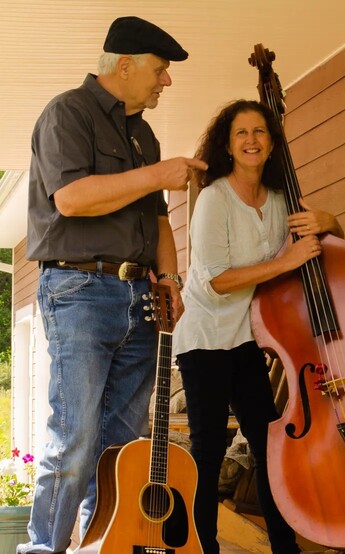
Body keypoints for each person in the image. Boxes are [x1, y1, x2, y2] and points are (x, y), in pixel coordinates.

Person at [20, 16, 204, 554]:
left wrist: (169, 279)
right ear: (124, 66)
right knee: (74, 443)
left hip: (138, 298)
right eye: (159, 69)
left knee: (121, 450)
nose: (165, 81)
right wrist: (157, 173)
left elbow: (161, 221)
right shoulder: (66, 114)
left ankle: (101, 546)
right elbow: (72, 200)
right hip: (79, 293)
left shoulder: (141, 133)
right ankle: (44, 549)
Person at [172, 99, 344, 554]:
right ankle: (201, 547)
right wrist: (283, 261)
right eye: (241, 133)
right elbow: (214, 282)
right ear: (228, 145)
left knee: (269, 447)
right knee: (207, 453)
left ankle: (285, 548)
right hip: (206, 339)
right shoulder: (214, 198)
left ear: (272, 144)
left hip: (248, 339)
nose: (251, 140)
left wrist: (331, 222)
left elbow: (327, 249)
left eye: (260, 132)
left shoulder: (282, 201)